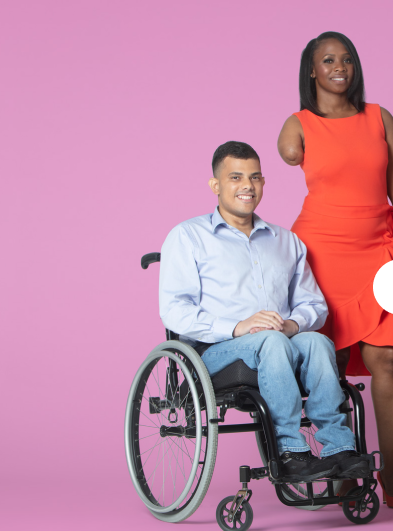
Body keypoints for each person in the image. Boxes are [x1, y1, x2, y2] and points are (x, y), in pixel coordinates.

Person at [159, 141, 371, 483]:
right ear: (216, 185)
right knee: (270, 341)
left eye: (255, 177)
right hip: (213, 353)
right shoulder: (188, 237)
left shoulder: (286, 241)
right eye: (236, 177)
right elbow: (174, 310)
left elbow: (313, 305)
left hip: (278, 344)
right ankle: (290, 451)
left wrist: (293, 324)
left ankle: (338, 449)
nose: (247, 186)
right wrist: (237, 327)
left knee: (316, 343)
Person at [277, 31, 393, 507]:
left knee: (390, 358)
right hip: (320, 250)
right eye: (328, 60)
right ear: (312, 71)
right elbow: (285, 151)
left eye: (346, 59)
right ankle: (343, 465)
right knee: (331, 361)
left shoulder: (378, 116)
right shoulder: (299, 125)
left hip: (380, 248)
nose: (340, 67)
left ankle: (390, 474)